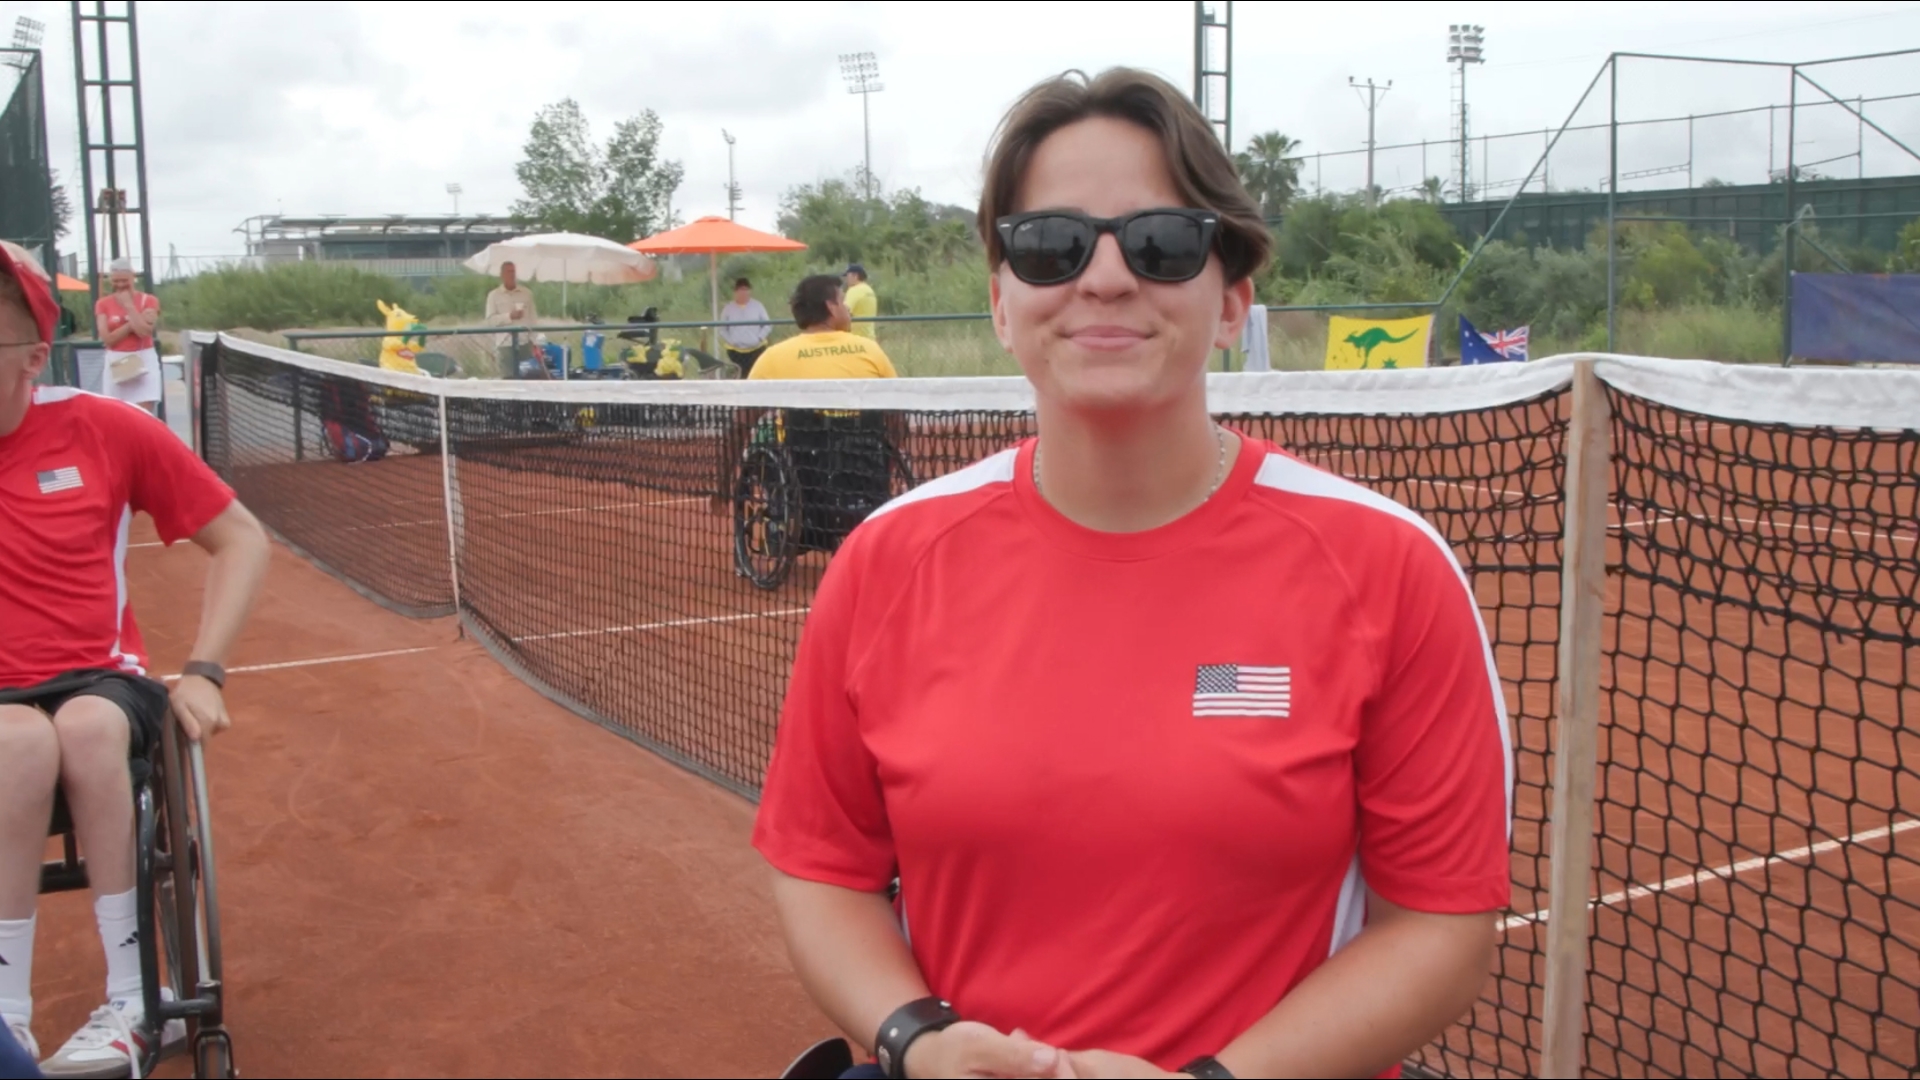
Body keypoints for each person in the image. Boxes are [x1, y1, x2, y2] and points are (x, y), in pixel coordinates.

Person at [752, 68, 1511, 1080]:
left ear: (1233, 298)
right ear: (1001, 301)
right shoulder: (885, 564)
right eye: (1051, 245)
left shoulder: (1390, 569)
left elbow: (1439, 929)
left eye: (1160, 242)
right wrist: (914, 1038)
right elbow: (823, 872)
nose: (1104, 280)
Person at [0, 243, 270, 1078]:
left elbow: (240, 539)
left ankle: (133, 1001)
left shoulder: (104, 426)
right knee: (16, 743)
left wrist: (205, 670)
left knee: (80, 730)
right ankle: (6, 1017)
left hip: (100, 678)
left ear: (35, 355)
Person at [748, 275, 896, 381]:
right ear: (831, 307)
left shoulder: (772, 358)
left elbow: (741, 419)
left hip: (795, 425)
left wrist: (766, 427)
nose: (847, 310)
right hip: (864, 425)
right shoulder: (870, 350)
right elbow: (898, 414)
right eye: (842, 302)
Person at [92, 259, 162, 416]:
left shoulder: (149, 301)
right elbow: (107, 339)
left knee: (143, 415)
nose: (120, 285)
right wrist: (131, 324)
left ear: (133, 278)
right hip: (117, 360)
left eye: (124, 280)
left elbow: (145, 331)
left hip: (143, 357)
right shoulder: (103, 304)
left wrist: (129, 306)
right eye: (116, 281)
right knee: (116, 413)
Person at [485, 261, 538, 376]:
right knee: (508, 380)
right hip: (505, 344)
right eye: (508, 272)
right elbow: (490, 321)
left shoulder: (526, 294)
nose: (512, 275)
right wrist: (509, 316)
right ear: (502, 275)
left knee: (529, 377)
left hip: (525, 343)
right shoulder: (493, 296)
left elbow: (533, 319)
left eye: (513, 271)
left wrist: (534, 341)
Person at [718, 277, 772, 376]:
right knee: (742, 374)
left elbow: (767, 325)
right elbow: (722, 329)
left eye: (745, 290)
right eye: (740, 290)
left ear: (749, 291)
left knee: (755, 373)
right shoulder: (728, 308)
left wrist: (759, 338)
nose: (743, 293)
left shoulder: (758, 306)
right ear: (735, 292)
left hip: (756, 348)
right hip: (735, 350)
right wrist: (731, 341)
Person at [842, 263, 878, 340]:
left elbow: (844, 311)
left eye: (847, 276)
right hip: (870, 338)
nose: (846, 279)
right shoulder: (869, 290)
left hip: (856, 339)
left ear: (855, 276)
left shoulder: (854, 290)